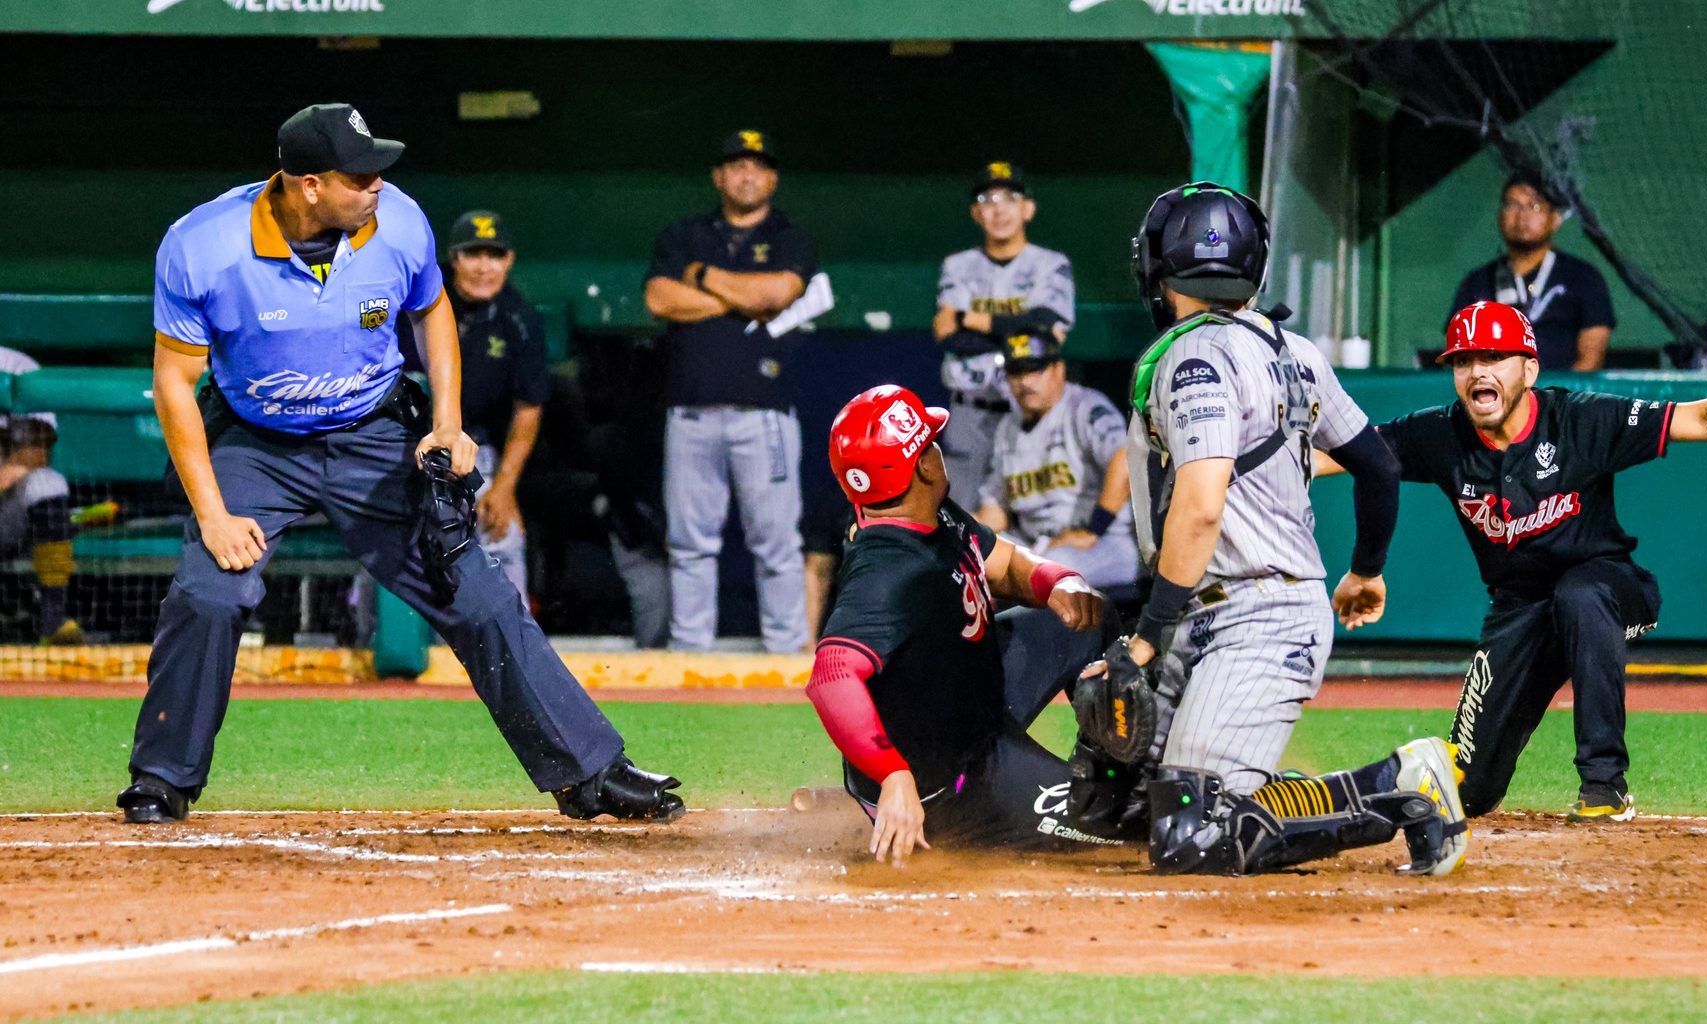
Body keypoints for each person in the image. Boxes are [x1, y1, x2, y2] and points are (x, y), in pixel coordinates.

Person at [121, 103, 684, 825]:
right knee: (210, 593)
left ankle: (591, 772)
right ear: (310, 185)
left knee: (476, 590)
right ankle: (162, 779)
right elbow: (174, 383)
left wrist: (447, 421)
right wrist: (213, 514)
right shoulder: (203, 245)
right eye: (360, 176)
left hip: (373, 433)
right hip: (257, 443)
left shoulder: (398, 221)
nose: (378, 185)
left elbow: (432, 311)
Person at [1085, 181, 1466, 877]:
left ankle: (1400, 786)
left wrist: (1146, 634)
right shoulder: (1293, 350)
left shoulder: (1190, 358)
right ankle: (1299, 788)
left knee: (1191, 837)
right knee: (1127, 805)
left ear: (1159, 268)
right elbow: (1378, 464)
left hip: (1253, 619)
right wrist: (1366, 569)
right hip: (1228, 607)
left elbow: (1201, 505)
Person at [1379, 301, 1707, 823]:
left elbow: (1699, 417)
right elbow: (1353, 451)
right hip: (1519, 611)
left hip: (1608, 590)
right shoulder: (1439, 434)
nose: (1477, 371)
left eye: (1494, 357)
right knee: (1466, 792)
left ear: (1530, 370)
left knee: (1580, 596)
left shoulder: (1581, 419)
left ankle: (1604, 786)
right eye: (1463, 360)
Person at [806, 384, 1121, 865]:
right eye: (931, 443)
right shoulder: (886, 571)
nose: (939, 449)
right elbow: (831, 675)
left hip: (972, 699)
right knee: (1124, 824)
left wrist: (1058, 580)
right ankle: (1090, 804)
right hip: (955, 781)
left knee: (1089, 613)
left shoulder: (923, 511)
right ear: (923, 467)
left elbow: (1006, 563)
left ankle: (1111, 761)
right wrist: (893, 776)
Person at [644, 130, 816, 653]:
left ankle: (786, 654)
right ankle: (689, 652)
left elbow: (779, 292)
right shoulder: (685, 234)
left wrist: (701, 278)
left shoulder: (789, 236)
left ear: (773, 178)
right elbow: (660, 299)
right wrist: (745, 299)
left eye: (757, 166)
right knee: (689, 544)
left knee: (777, 543)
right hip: (690, 413)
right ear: (718, 177)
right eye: (737, 166)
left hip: (763, 414)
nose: (747, 175)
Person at [933, 163, 1077, 509]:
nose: (999, 210)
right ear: (975, 212)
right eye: (988, 199)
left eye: (1010, 198)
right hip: (969, 412)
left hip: (1028, 413)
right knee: (959, 514)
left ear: (1028, 208)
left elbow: (1046, 330)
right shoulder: (957, 265)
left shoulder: (1051, 264)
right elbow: (949, 334)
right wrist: (1021, 329)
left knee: (1031, 516)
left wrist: (970, 318)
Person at [972, 330, 1137, 592]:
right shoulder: (1007, 429)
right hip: (1042, 545)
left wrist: (1093, 530)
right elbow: (996, 511)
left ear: (1059, 369)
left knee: (1048, 569)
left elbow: (1126, 459)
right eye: (1016, 372)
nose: (1025, 381)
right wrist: (959, 530)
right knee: (978, 561)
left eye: (1035, 370)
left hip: (1104, 543)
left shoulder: (1085, 407)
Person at [440, 210, 549, 599]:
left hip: (480, 455)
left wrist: (504, 488)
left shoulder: (520, 320)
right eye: (473, 254)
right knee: (393, 548)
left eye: (495, 255)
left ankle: (515, 638)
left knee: (503, 536)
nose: (484, 267)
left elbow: (528, 408)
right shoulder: (425, 302)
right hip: (410, 449)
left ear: (510, 260)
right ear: (454, 258)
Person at [1450, 172, 1615, 371]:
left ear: (1555, 219)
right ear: (1500, 216)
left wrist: (1554, 393)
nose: (1522, 215)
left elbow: (1591, 359)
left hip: (1563, 390)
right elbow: (1459, 358)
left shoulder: (1584, 278)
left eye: (1535, 206)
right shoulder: (1477, 282)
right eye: (1512, 205)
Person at [0, 348, 81, 644]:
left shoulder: (16, 367)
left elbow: (33, 455)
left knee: (47, 483)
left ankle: (53, 621)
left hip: (7, 515)